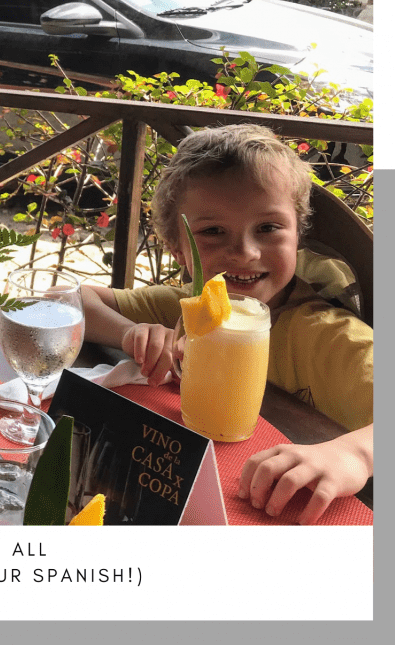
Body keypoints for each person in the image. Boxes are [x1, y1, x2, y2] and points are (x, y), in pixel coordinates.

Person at [81, 124, 372, 525]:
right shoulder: (191, 309)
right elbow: (69, 301)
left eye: (268, 228)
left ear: (298, 236)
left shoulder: (330, 337)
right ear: (177, 248)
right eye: (213, 231)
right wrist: (129, 332)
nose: (245, 253)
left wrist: (355, 453)